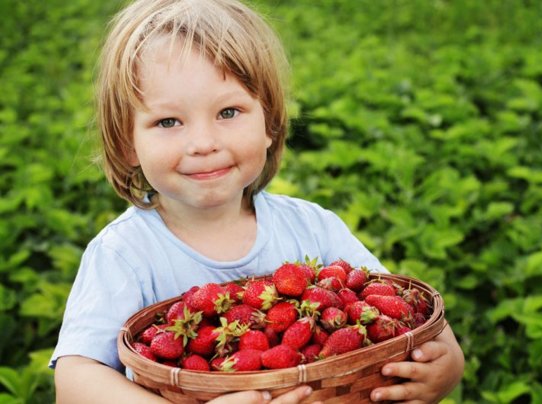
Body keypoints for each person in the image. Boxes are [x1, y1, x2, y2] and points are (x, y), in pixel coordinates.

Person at [51, 0, 465, 402]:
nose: (203, 143)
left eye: (228, 112)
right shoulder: (124, 254)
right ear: (127, 144)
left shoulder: (313, 228)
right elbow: (75, 382)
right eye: (168, 121)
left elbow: (404, 310)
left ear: (269, 123)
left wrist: (445, 365)